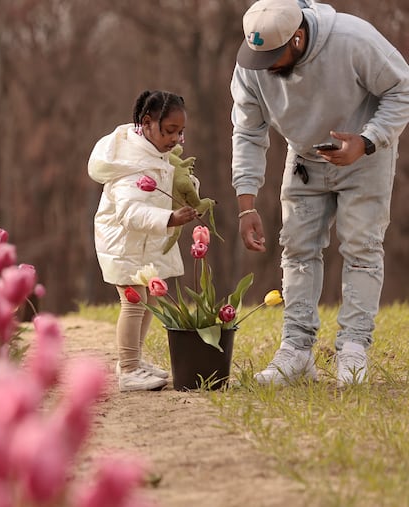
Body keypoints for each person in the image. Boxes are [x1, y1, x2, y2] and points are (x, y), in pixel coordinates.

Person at [231, 0, 409, 387]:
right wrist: (247, 203)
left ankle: (353, 349)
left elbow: (402, 88)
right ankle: (296, 351)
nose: (265, 68)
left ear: (297, 38)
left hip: (365, 155)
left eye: (274, 58)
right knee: (296, 249)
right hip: (305, 160)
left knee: (361, 248)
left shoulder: (352, 39)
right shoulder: (253, 63)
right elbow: (248, 131)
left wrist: (367, 140)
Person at [89, 90, 200, 392]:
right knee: (134, 300)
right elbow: (129, 211)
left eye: (180, 132)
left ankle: (134, 361)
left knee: (150, 299)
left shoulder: (157, 153)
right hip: (123, 242)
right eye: (169, 131)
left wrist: (187, 188)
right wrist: (169, 219)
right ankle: (127, 369)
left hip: (143, 242)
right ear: (147, 123)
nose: (176, 138)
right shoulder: (130, 162)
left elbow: (164, 188)